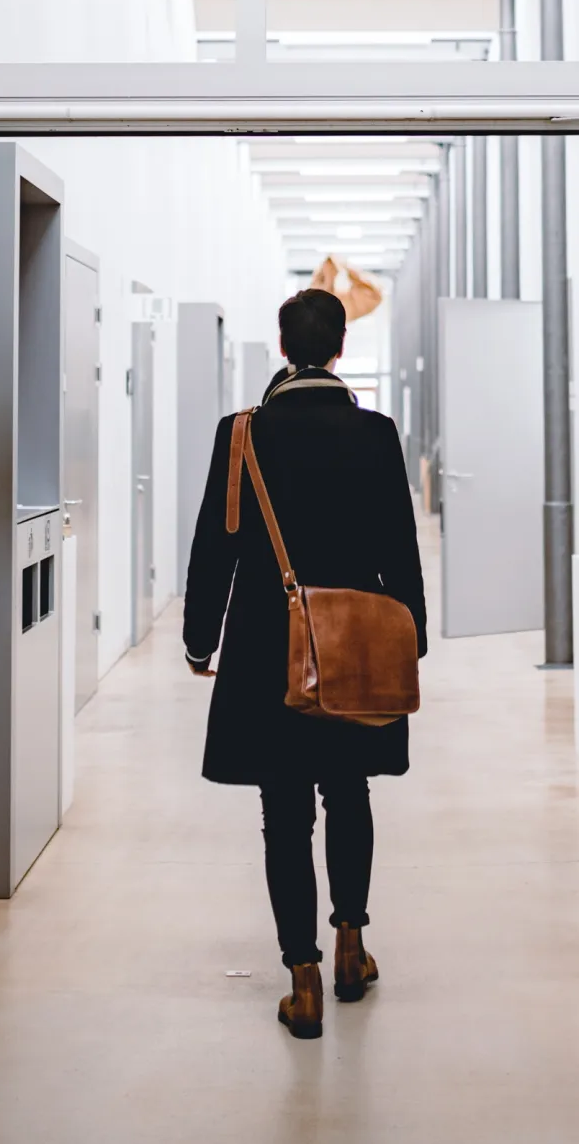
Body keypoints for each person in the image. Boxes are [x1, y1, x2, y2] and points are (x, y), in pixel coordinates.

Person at [182, 288, 427, 1040]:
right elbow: (401, 547)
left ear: (284, 348)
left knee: (283, 811)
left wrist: (200, 641)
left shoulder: (242, 434)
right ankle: (352, 947)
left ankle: (304, 980)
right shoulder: (376, 434)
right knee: (349, 791)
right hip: (354, 645)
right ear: (341, 347)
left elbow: (215, 547)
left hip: (267, 648)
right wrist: (409, 637)